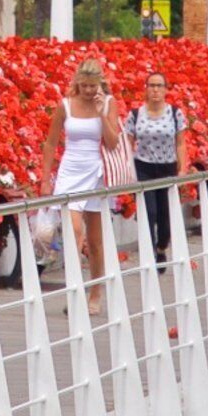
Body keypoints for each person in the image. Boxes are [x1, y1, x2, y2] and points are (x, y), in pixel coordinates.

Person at [37, 57, 133, 289]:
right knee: (74, 233)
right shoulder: (65, 105)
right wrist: (45, 179)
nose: (89, 91)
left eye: (93, 86)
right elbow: (50, 144)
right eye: (85, 86)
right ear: (77, 82)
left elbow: (112, 143)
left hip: (97, 172)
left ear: (100, 83)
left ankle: (95, 292)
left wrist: (101, 112)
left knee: (96, 242)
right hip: (70, 170)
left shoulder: (109, 103)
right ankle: (76, 289)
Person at [124, 68, 188, 267]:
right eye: (151, 85)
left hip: (167, 168)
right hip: (144, 168)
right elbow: (128, 143)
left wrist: (182, 168)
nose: (155, 90)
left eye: (159, 86)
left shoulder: (175, 114)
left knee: (165, 216)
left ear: (166, 89)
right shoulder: (136, 114)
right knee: (149, 212)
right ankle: (150, 254)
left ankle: (161, 247)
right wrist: (128, 170)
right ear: (146, 89)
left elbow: (180, 143)